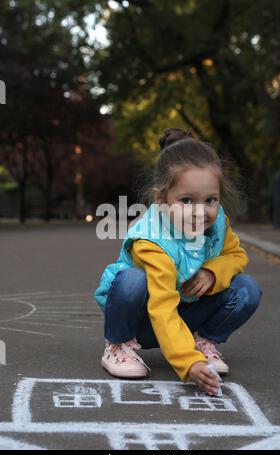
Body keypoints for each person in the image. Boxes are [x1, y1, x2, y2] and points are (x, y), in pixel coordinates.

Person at [94, 128, 263, 396]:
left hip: (186, 308)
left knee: (247, 288)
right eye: (186, 200)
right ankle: (118, 345)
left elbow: (235, 255)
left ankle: (202, 342)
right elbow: (162, 308)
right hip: (144, 320)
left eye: (210, 200)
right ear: (161, 199)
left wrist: (212, 271)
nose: (200, 211)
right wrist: (189, 364)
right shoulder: (151, 242)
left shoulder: (218, 221)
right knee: (132, 281)